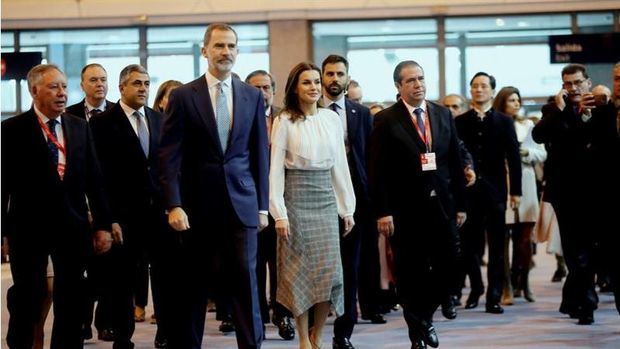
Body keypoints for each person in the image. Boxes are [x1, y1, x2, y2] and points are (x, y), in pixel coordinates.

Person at [159, 23, 269, 349]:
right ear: (204, 50)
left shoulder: (251, 95)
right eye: (219, 46)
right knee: (193, 286)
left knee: (246, 285)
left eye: (232, 46)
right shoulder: (182, 96)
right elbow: (169, 156)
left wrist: (263, 206)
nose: (226, 52)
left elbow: (259, 154)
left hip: (242, 205)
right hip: (195, 207)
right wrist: (173, 204)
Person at [2, 64, 114, 349]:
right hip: (28, 228)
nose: (62, 93)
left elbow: (95, 181)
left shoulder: (78, 127)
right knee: (29, 295)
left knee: (73, 296)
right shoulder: (12, 129)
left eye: (64, 86)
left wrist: (102, 225)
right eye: (54, 87)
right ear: (34, 90)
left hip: (73, 227)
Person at [368, 60, 467, 349]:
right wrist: (383, 211)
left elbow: (455, 162)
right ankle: (417, 333)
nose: (418, 84)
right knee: (412, 273)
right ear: (399, 86)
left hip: (443, 207)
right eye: (410, 80)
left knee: (449, 265)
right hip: (404, 210)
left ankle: (425, 316)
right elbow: (378, 170)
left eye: (421, 78)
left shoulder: (442, 114)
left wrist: (461, 204)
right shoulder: (386, 119)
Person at [269, 61, 356, 349]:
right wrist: (279, 213)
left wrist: (347, 208)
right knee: (299, 272)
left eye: (317, 82)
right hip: (295, 200)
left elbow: (340, 167)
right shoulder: (284, 121)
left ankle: (319, 335)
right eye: (307, 82)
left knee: (327, 271)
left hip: (325, 201)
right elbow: (275, 170)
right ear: (295, 87)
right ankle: (304, 338)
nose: (314, 87)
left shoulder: (331, 119)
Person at [90, 64, 172, 349]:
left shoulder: (159, 119)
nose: (143, 89)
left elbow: (168, 167)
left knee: (163, 275)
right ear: (122, 87)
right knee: (123, 279)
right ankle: (123, 336)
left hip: (159, 213)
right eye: (137, 83)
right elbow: (98, 176)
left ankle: (165, 332)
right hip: (124, 216)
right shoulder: (102, 123)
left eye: (147, 84)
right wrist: (107, 217)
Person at [532, 63, 617, 324]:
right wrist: (558, 109)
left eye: (578, 82)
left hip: (599, 194)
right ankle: (587, 305)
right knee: (575, 253)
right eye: (568, 83)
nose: (574, 88)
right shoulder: (554, 110)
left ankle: (576, 298)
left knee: (596, 251)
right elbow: (538, 135)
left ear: (588, 82)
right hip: (566, 195)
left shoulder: (605, 109)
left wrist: (608, 101)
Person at [319, 54, 377, 349]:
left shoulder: (361, 113)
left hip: (355, 202)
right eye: (329, 73)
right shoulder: (310, 111)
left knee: (351, 267)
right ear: (322, 76)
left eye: (339, 74)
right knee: (323, 269)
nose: (334, 79)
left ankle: (343, 331)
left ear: (347, 77)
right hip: (317, 201)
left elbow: (371, 159)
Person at [455, 72, 522, 315]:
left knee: (496, 246)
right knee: (469, 246)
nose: (479, 90)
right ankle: (475, 290)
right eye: (474, 86)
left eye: (483, 86)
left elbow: (513, 157)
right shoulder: (459, 121)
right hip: (468, 192)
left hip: (495, 192)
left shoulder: (504, 121)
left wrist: (516, 191)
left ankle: (494, 295)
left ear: (492, 91)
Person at [65, 63, 116, 342]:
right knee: (80, 269)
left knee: (107, 269)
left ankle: (105, 322)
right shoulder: (69, 115)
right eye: (93, 80)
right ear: (82, 84)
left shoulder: (117, 114)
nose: (99, 84)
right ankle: (81, 321)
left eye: (103, 79)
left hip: (108, 201)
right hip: (77, 204)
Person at [245, 69, 296, 341]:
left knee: (281, 265)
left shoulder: (285, 118)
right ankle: (257, 319)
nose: (261, 93)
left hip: (282, 203)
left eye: (266, 87)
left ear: (273, 91)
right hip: (248, 201)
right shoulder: (239, 117)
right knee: (253, 264)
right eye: (255, 88)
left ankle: (282, 314)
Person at [493, 86, 547, 305]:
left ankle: (523, 281)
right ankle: (505, 284)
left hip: (526, 180)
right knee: (502, 239)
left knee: (524, 240)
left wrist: (526, 153)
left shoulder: (528, 125)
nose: (516, 103)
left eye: (518, 100)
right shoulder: (495, 124)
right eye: (511, 100)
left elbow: (542, 152)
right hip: (502, 180)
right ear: (502, 102)